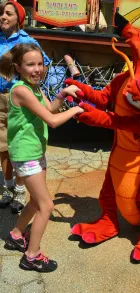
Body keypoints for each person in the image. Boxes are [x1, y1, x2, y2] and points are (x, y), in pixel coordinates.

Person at [0, 43, 83, 272]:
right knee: (46, 205)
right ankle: (32, 255)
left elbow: (51, 109)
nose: (37, 69)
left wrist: (62, 95)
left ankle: (17, 235)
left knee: (37, 201)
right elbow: (53, 121)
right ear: (18, 67)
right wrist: (76, 110)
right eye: (30, 65)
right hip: (26, 156)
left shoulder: (34, 88)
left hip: (35, 152)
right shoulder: (21, 90)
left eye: (40, 64)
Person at [0, 0, 51, 213]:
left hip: (20, 100)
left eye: (8, 14)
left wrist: (35, 90)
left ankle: (20, 191)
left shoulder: (27, 41)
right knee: (3, 148)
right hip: (0, 99)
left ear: (19, 19)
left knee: (18, 147)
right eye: (1, 13)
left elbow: (44, 64)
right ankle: (8, 187)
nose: (3, 17)